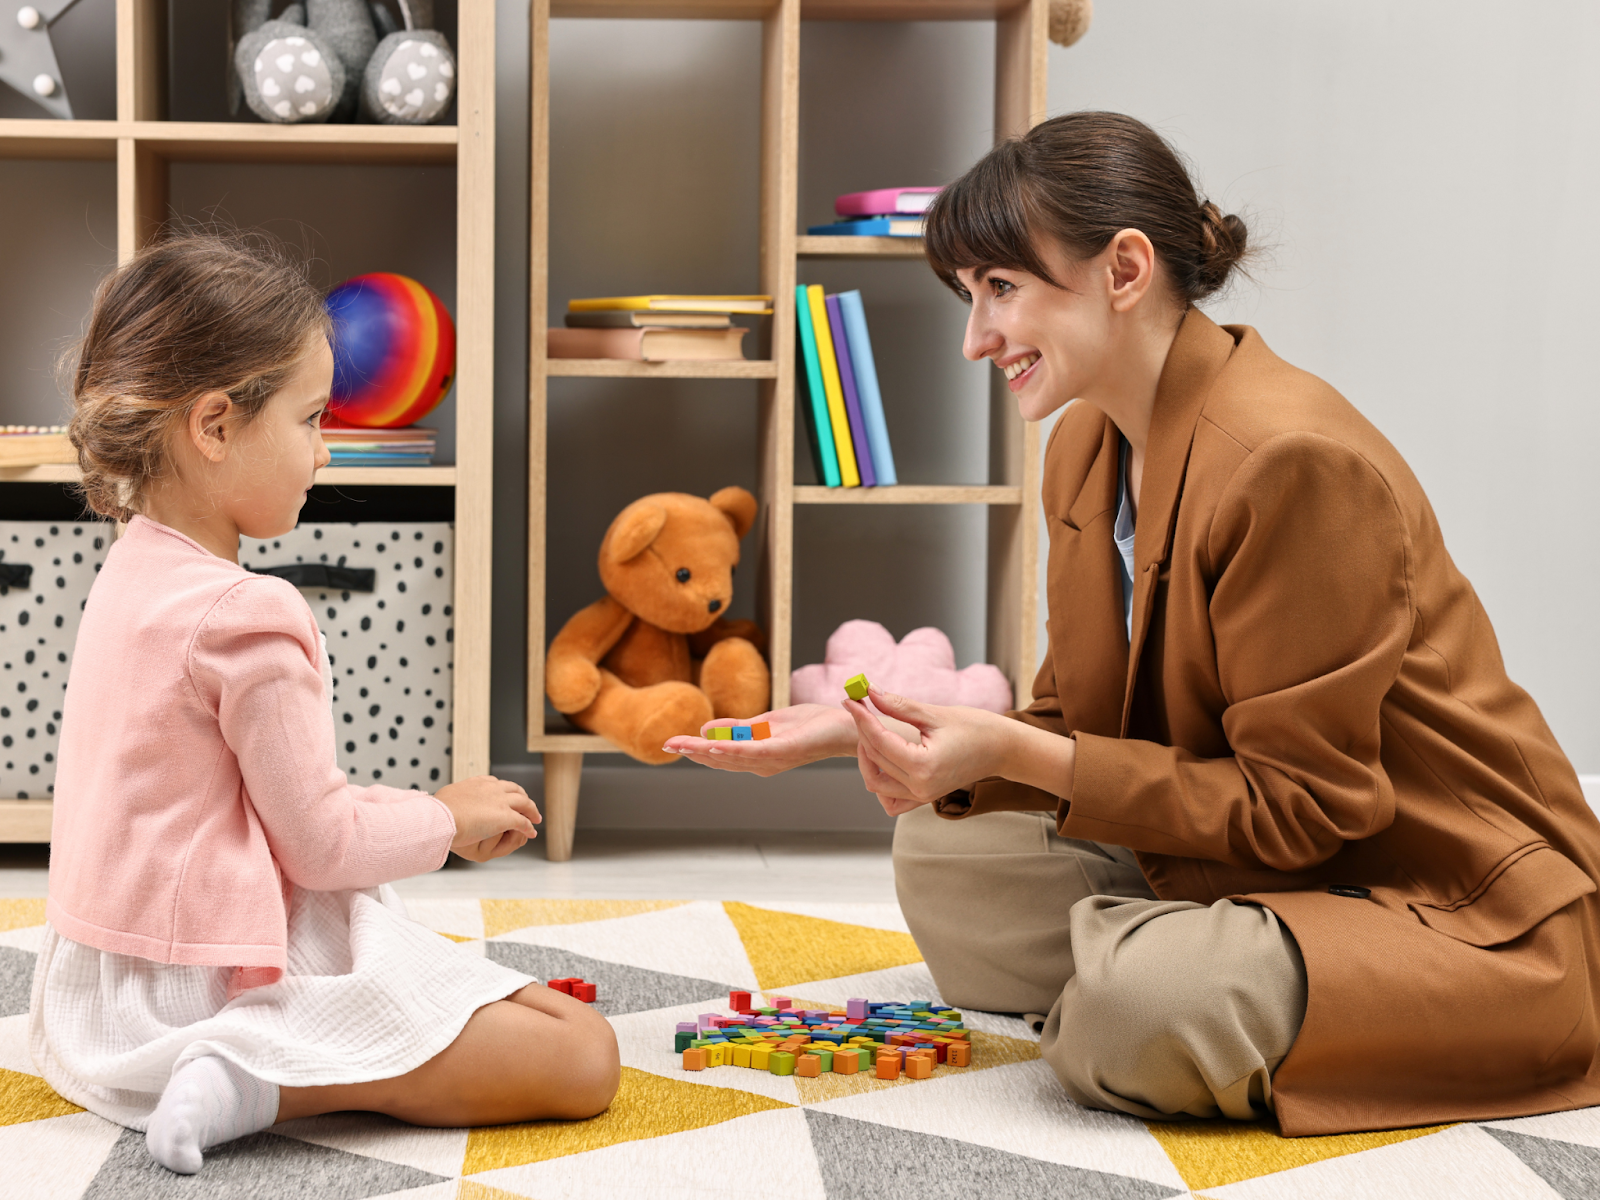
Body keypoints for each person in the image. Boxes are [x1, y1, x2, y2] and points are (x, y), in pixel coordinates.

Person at [666, 111, 1600, 1136]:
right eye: (968, 296)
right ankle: (1199, 969)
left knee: (1134, 1011)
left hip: (1449, 900)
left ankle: (1188, 982)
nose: (976, 338)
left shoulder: (1292, 463)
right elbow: (1080, 722)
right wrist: (871, 725)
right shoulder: (1085, 446)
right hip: (1268, 867)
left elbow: (1304, 813)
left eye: (1002, 289)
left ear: (1123, 270)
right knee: (945, 850)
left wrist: (1022, 754)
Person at [32, 232, 620, 1176]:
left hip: (96, 997)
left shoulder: (130, 570)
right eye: (310, 419)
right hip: (210, 988)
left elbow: (265, 813)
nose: (326, 446)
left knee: (524, 1007)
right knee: (582, 1053)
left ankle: (246, 1064)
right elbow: (321, 846)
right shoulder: (251, 613)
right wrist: (444, 819)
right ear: (215, 426)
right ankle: (260, 1076)